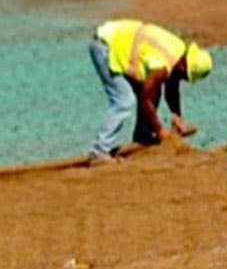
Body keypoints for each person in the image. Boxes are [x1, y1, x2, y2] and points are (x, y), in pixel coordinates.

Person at [87, 19, 213, 166]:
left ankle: (143, 136)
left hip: (120, 43)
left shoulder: (178, 53)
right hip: (106, 46)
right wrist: (160, 130)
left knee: (153, 89)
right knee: (124, 101)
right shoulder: (161, 65)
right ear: (183, 68)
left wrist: (178, 117)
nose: (183, 80)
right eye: (185, 77)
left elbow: (171, 89)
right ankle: (99, 152)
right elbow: (145, 99)